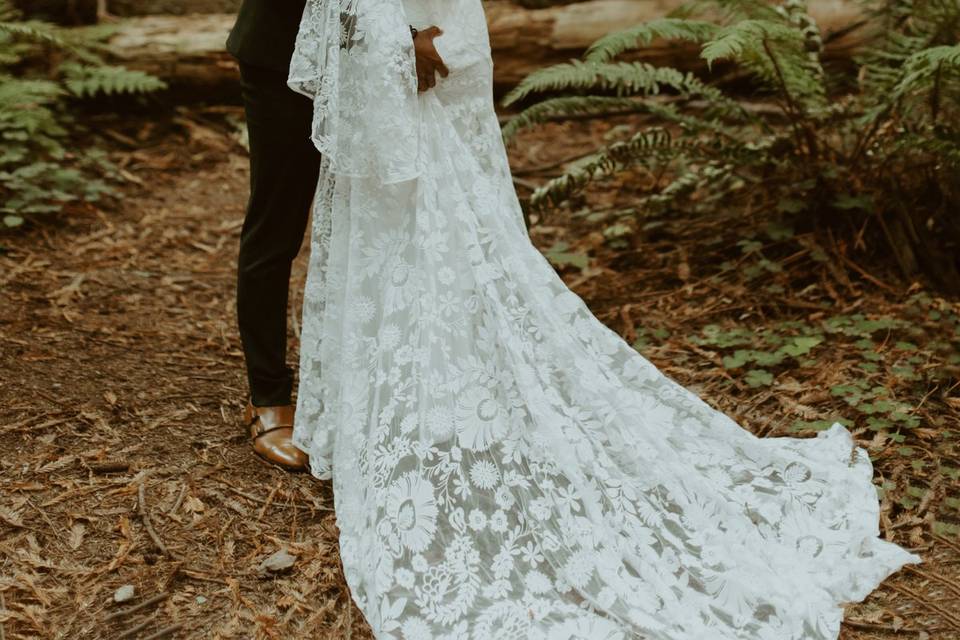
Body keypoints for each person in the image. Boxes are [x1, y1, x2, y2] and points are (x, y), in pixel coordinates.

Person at [289, 1, 921, 638]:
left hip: (422, 38)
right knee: (401, 233)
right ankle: (413, 403)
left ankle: (452, 404)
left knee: (447, 234)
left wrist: (402, 43)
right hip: (382, 45)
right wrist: (380, 41)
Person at [226, 0, 448, 471]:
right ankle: (267, 396)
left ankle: (368, 384)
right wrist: (402, 36)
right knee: (278, 223)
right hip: (284, 52)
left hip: (373, 62)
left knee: (375, 218)